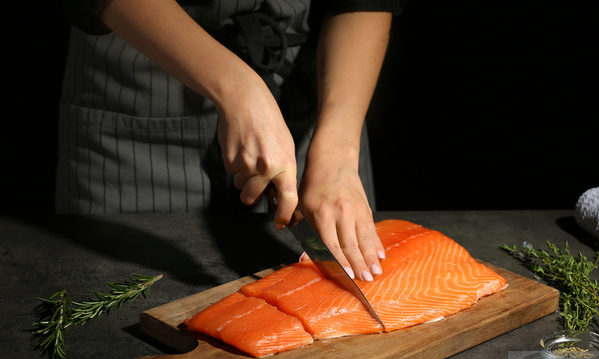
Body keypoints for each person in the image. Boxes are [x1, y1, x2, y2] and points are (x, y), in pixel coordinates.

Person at [57, 0, 406, 282]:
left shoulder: (334, 142)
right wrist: (238, 89)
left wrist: (338, 154)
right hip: (137, 101)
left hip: (326, 100)